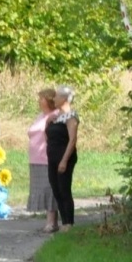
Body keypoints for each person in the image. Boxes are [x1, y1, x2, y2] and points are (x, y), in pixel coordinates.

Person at [46, 85, 80, 229]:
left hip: (64, 156)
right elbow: (47, 138)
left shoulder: (71, 116)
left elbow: (72, 140)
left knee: (64, 189)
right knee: (56, 189)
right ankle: (64, 221)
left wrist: (64, 160)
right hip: (52, 156)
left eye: (57, 96)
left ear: (65, 99)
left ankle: (69, 223)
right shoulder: (56, 116)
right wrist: (48, 123)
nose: (54, 99)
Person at [29, 87, 58, 231]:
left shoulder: (55, 115)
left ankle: (51, 222)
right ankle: (50, 221)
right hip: (36, 158)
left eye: (42, 98)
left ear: (49, 100)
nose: (39, 101)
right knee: (42, 189)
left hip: (47, 157)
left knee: (49, 189)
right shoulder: (40, 116)